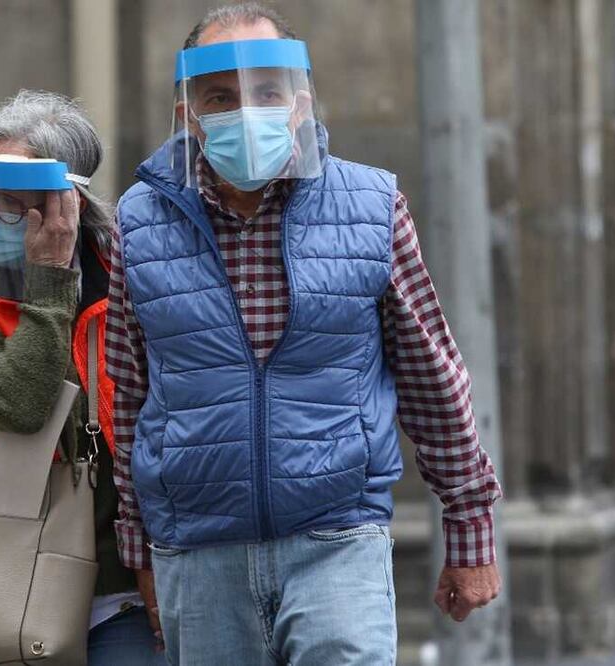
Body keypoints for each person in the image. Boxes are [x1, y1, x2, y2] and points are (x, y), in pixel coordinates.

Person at [105, 4, 504, 665]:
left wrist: (469, 526)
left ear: (299, 102)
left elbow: (430, 372)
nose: (246, 112)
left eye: (265, 92)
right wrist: (137, 548)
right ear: (187, 116)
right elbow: (129, 399)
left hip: (336, 536)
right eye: (221, 98)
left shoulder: (370, 207)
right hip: (199, 551)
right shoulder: (138, 223)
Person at [0, 90, 166, 665]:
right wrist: (50, 282)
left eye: (8, 200)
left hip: (125, 587)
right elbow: (18, 405)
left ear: (65, 202)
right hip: (7, 577)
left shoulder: (135, 275)